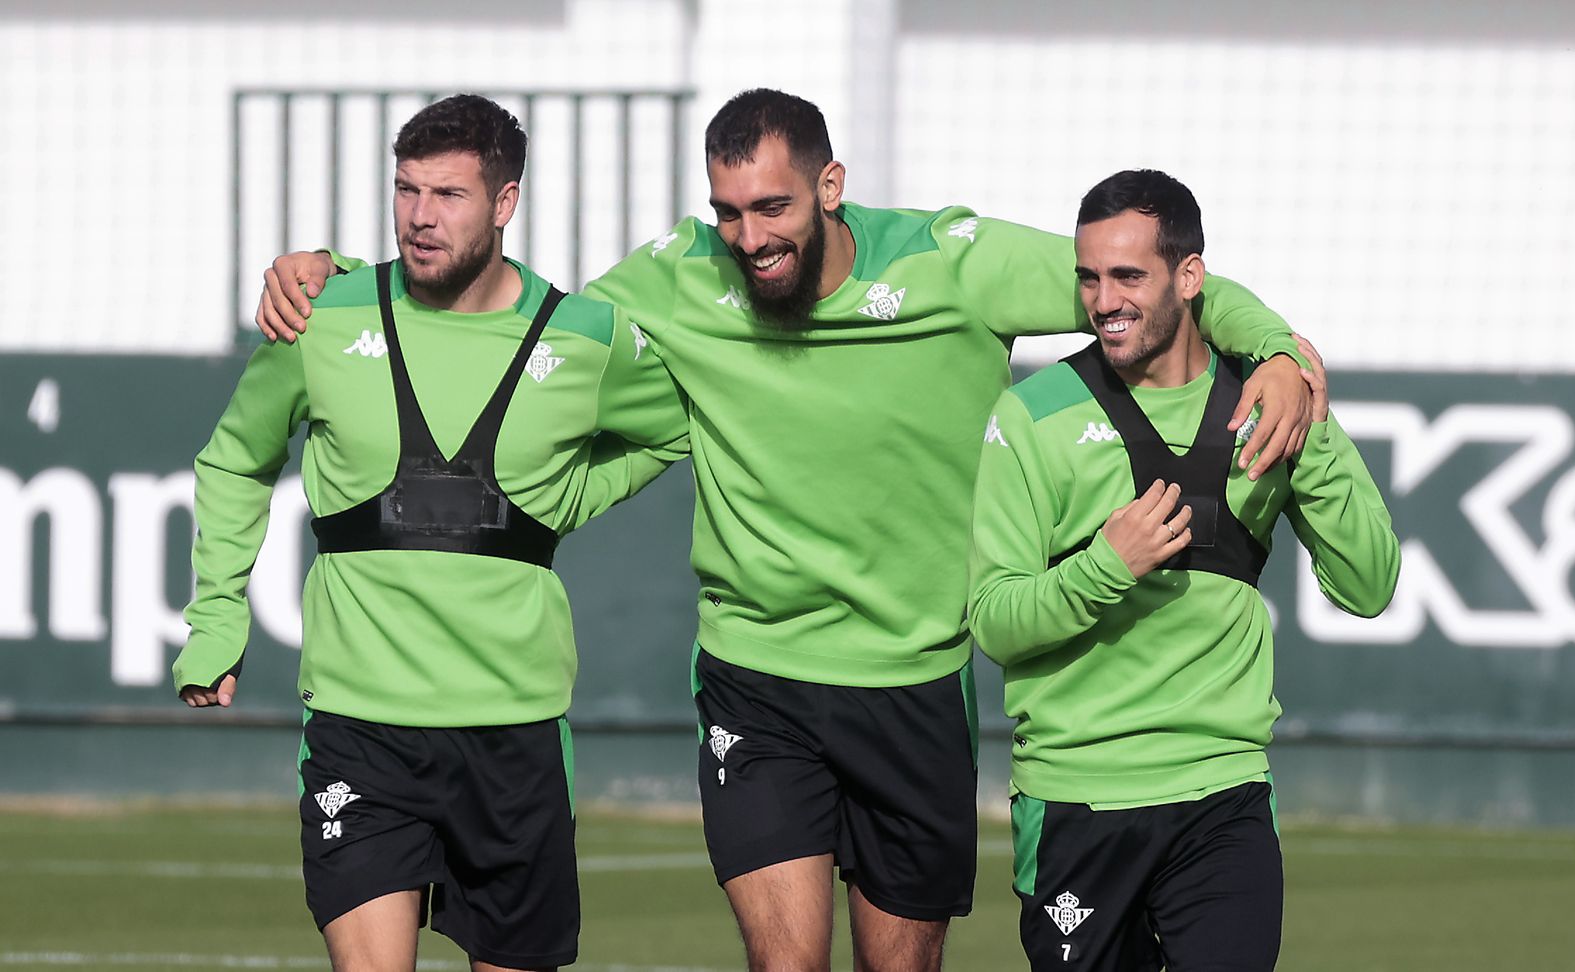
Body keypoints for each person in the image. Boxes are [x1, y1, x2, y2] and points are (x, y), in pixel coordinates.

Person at [253, 90, 1317, 972]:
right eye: (728, 211)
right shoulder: (681, 276)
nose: (750, 237)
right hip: (756, 677)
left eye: (772, 207)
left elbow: (1145, 281)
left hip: (913, 677)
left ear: (830, 186)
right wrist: (338, 274)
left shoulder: (954, 264)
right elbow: (515, 317)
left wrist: (1272, 350)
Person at [175, 94, 689, 972]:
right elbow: (234, 460)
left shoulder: (585, 338)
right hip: (360, 726)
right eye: (407, 190)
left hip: (516, 730)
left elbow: (674, 426)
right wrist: (218, 616)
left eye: (449, 194)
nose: (420, 215)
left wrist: (567, 497)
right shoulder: (319, 317)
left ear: (505, 201)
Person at [967, 169, 1400, 971]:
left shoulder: (1267, 401)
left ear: (1190, 277)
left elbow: (1369, 584)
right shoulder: (1030, 416)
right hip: (1075, 797)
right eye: (1089, 278)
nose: (1104, 301)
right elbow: (994, 620)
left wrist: (1308, 428)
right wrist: (1104, 567)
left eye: (1128, 276)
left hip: (1221, 792)